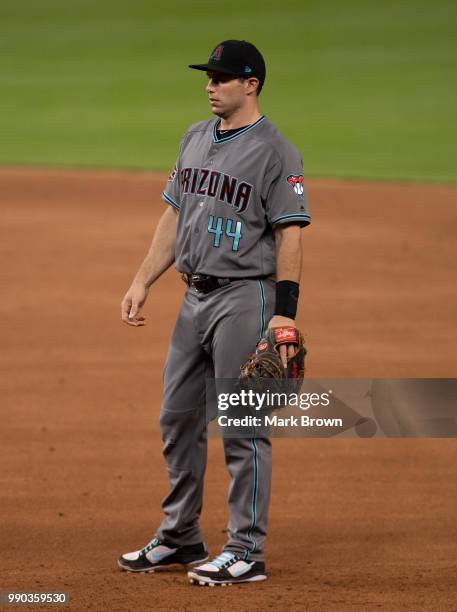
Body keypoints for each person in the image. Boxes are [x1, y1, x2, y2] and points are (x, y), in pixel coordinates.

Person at [117, 40, 311, 586]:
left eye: (223, 77)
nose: (211, 84)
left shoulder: (277, 152)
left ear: (251, 85)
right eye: (209, 76)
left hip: (245, 297)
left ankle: (246, 549)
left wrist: (284, 313)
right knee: (177, 420)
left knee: (243, 424)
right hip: (192, 299)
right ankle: (181, 535)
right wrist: (142, 280)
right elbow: (173, 219)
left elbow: (289, 233)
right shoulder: (194, 137)